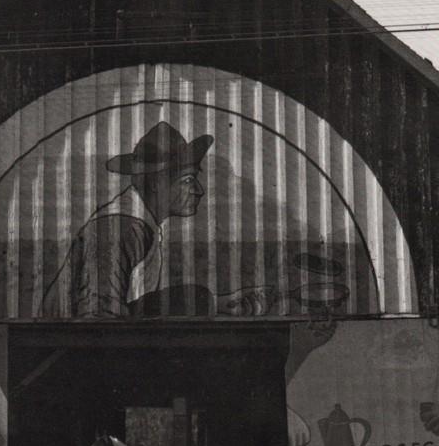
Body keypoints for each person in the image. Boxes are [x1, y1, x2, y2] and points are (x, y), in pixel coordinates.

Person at [40, 121, 273, 318]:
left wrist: (216, 304)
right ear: (155, 184)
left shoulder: (137, 226)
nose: (199, 191)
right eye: (188, 180)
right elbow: (98, 318)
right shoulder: (120, 228)